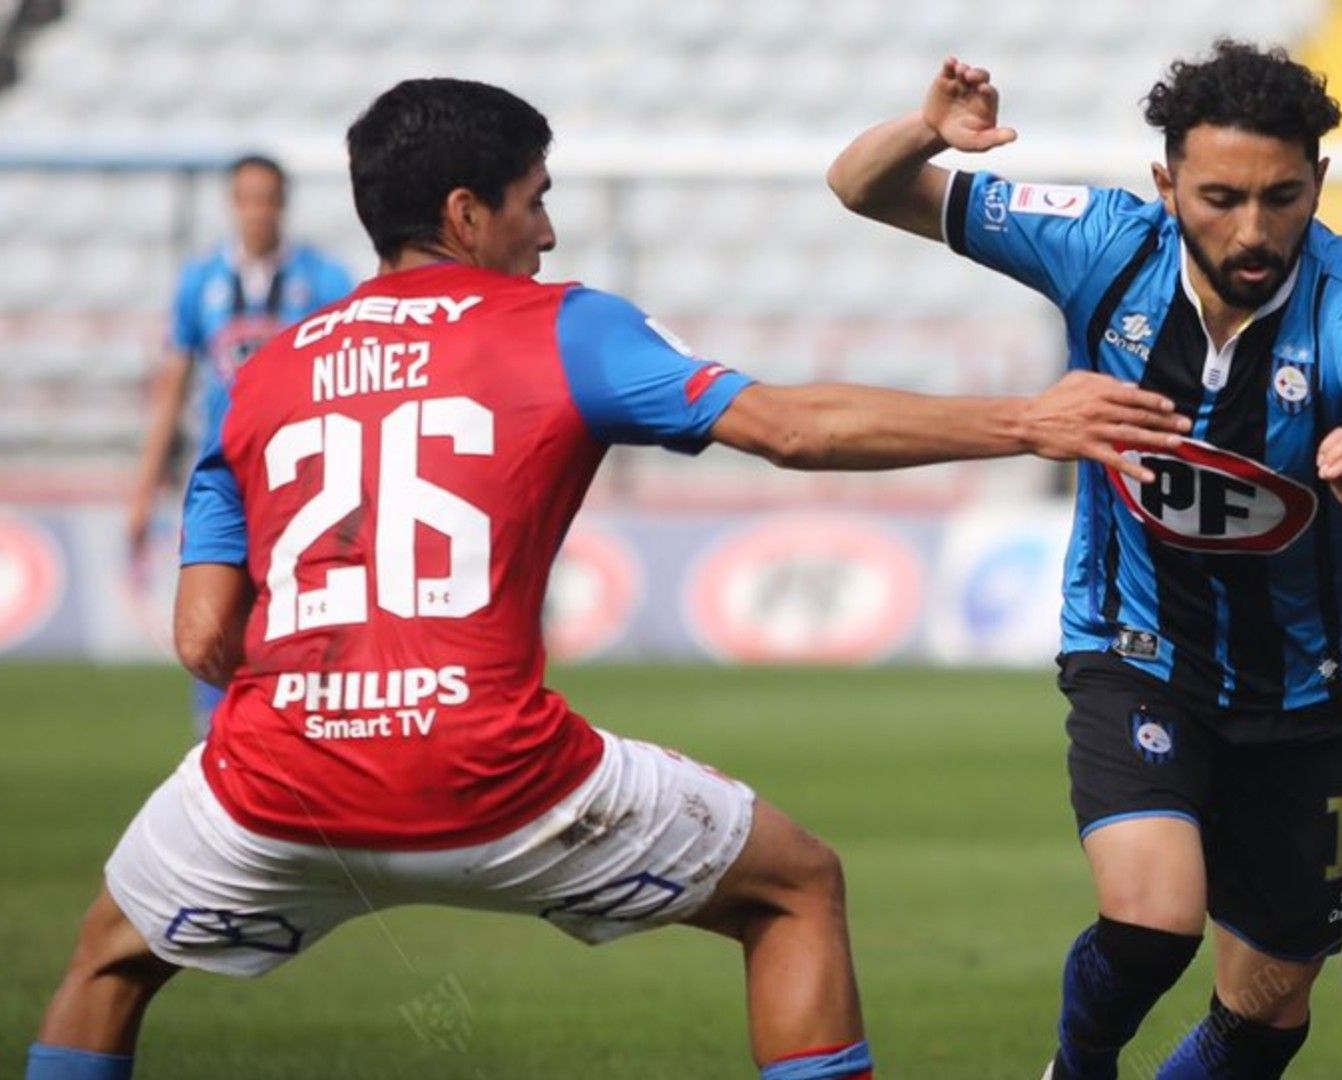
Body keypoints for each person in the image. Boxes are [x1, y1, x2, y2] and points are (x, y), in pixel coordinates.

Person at [26, 77, 1192, 1080]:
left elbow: (202, 636)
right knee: (795, 891)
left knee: (107, 960)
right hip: (498, 775)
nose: (547, 234)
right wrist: (1025, 419)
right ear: (465, 211)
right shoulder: (562, 327)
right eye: (536, 202)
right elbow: (787, 427)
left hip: (276, 785)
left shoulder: (267, 373)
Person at [830, 41, 1342, 1079]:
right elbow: (862, 187)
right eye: (1219, 197)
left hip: (1307, 692)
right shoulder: (1102, 247)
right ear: (1165, 185)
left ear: (1319, 183)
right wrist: (926, 132)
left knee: (1265, 1012)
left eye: (1282, 197)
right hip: (1134, 646)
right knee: (1155, 921)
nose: (1253, 230)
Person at [128, 154, 355, 736]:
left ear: (283, 203)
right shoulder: (200, 283)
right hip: (224, 477)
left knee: (300, 612)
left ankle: (302, 737)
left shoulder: (325, 281)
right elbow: (173, 388)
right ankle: (220, 745)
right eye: (247, 198)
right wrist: (145, 485)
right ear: (234, 204)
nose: (257, 211)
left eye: (268, 198)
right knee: (214, 615)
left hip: (302, 478)